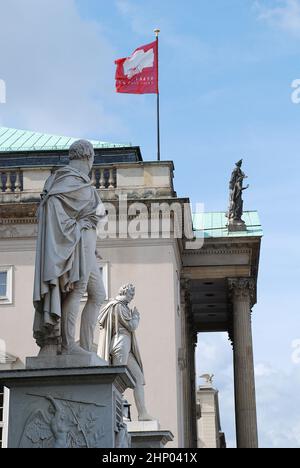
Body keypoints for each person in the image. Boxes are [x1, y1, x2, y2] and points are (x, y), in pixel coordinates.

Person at [33, 140, 107, 356]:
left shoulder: (79, 183)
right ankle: (68, 345)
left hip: (87, 245)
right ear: (88, 156)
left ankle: (84, 346)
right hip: (76, 241)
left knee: (98, 294)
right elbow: (54, 217)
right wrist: (79, 228)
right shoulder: (65, 181)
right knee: (77, 289)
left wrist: (92, 246)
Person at [97, 284, 154, 421]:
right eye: (130, 294)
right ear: (124, 292)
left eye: (133, 295)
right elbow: (131, 326)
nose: (132, 297)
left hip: (126, 346)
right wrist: (135, 317)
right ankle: (117, 412)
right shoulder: (118, 306)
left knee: (138, 378)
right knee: (118, 379)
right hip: (120, 344)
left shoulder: (123, 307)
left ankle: (142, 413)